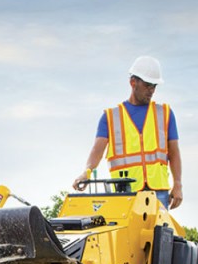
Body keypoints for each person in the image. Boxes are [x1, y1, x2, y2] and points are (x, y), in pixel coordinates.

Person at [72, 56, 183, 210]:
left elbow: (174, 152)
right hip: (125, 193)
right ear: (133, 83)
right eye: (148, 85)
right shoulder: (111, 117)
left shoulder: (164, 113)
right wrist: (87, 172)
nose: (151, 91)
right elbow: (97, 150)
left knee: (159, 234)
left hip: (158, 193)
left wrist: (177, 184)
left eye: (154, 86)